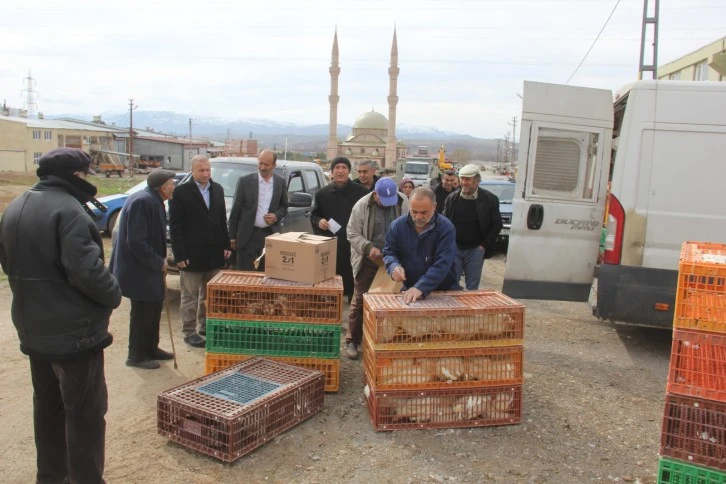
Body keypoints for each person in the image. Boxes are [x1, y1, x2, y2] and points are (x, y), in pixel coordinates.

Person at [0, 148, 122, 483]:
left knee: (49, 410)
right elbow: (88, 273)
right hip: (75, 337)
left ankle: (50, 477)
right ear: (77, 175)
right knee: (85, 415)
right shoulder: (69, 211)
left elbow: (8, 264)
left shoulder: (15, 207)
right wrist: (114, 292)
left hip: (34, 331)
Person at [110, 169, 177, 370]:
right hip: (139, 270)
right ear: (163, 187)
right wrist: (159, 262)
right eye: (172, 183)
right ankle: (137, 355)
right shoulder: (143, 201)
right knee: (143, 313)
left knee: (154, 308)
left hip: (148, 269)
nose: (174, 186)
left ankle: (151, 348)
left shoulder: (153, 200)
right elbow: (136, 242)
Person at [169, 155, 231, 348]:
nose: (205, 174)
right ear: (193, 171)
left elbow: (221, 221)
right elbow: (176, 226)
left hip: (213, 254)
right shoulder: (181, 192)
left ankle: (205, 327)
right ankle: (189, 332)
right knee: (189, 296)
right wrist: (179, 255)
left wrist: (226, 245)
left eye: (208, 170)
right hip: (191, 255)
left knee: (209, 295)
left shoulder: (217, 189)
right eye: (201, 170)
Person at [345, 177, 409, 359]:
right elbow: (351, 232)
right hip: (369, 258)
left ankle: (391, 341)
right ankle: (353, 340)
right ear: (375, 194)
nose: (388, 204)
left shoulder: (403, 202)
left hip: (394, 259)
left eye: (391, 200)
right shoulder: (361, 206)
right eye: (384, 200)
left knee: (396, 299)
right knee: (361, 298)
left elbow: (410, 227)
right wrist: (367, 247)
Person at [383, 186, 459, 304]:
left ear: (434, 207)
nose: (418, 217)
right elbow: (389, 251)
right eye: (414, 211)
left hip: (443, 290)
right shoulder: (398, 226)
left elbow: (443, 263)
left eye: (424, 212)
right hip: (411, 289)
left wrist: (421, 287)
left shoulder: (446, 228)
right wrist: (393, 267)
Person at [310, 156, 369, 299]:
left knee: (352, 277)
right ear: (332, 171)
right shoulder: (322, 194)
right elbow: (314, 215)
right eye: (337, 168)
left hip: (353, 244)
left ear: (349, 171)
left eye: (344, 168)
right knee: (331, 278)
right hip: (330, 244)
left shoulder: (361, 193)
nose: (340, 171)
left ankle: (352, 298)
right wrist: (319, 222)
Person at [443, 163, 503, 290]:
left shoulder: (490, 199)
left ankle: (470, 310)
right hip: (455, 249)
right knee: (451, 284)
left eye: (468, 179)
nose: (464, 182)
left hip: (476, 250)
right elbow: (444, 222)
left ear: (477, 180)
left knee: (472, 288)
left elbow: (497, 224)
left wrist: (484, 245)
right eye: (462, 179)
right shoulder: (452, 199)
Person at [228, 149, 288, 271]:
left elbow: (284, 206)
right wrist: (232, 237)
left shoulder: (280, 182)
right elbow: (235, 211)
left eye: (266, 164)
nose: (262, 167)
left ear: (274, 165)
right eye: (260, 163)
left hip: (270, 236)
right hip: (247, 236)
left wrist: (276, 216)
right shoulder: (245, 181)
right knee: (245, 276)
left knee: (267, 276)